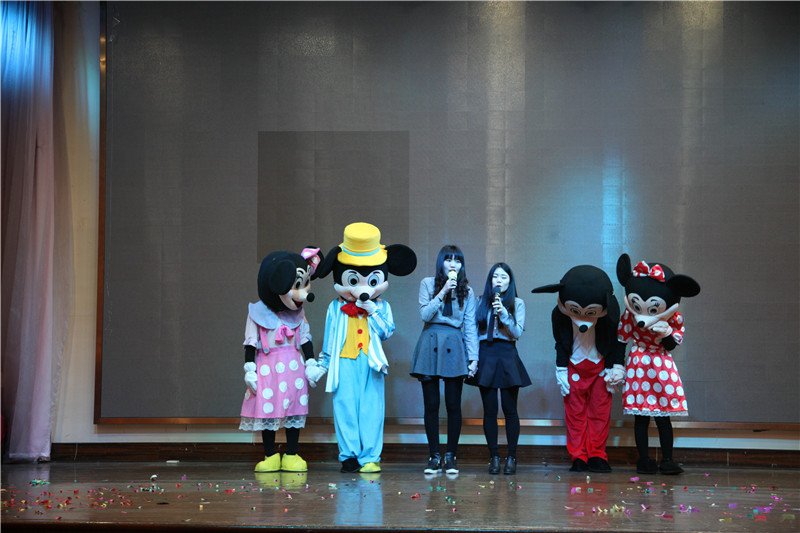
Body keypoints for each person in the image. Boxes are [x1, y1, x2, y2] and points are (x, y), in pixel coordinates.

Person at [409, 245, 478, 475]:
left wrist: (473, 358)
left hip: (455, 343)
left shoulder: (467, 291)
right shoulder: (427, 284)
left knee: (453, 404)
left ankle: (451, 456)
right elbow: (424, 314)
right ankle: (434, 455)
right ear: (441, 262)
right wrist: (443, 292)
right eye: (448, 259)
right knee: (431, 404)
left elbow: (470, 326)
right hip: (430, 341)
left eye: (457, 260)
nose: (453, 264)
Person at [468, 263, 531, 474]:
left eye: (504, 277)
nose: (499, 280)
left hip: (507, 355)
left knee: (510, 409)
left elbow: (517, 333)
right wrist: (473, 359)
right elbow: (473, 331)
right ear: (490, 280)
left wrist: (504, 313)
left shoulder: (517, 303)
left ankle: (511, 457)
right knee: (489, 410)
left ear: (510, 281)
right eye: (495, 276)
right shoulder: (480, 301)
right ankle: (494, 457)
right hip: (485, 354)